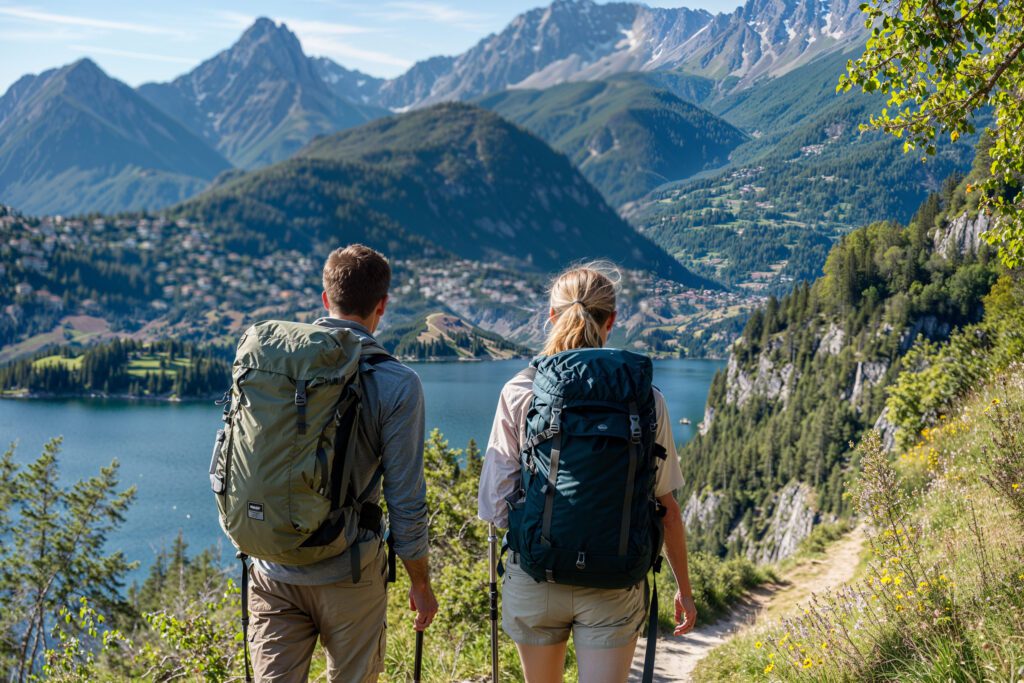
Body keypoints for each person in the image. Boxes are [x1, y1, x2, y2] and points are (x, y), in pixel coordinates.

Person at [477, 263, 698, 683]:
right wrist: (684, 591)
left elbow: (493, 504)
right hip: (614, 583)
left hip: (536, 576)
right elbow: (666, 506)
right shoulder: (646, 398)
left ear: (551, 316)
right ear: (611, 321)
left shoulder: (520, 391)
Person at [247, 244, 438, 682]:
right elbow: (406, 499)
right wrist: (420, 584)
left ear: (324, 298)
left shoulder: (276, 362)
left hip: (273, 566)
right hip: (347, 569)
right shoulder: (396, 382)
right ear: (382, 306)